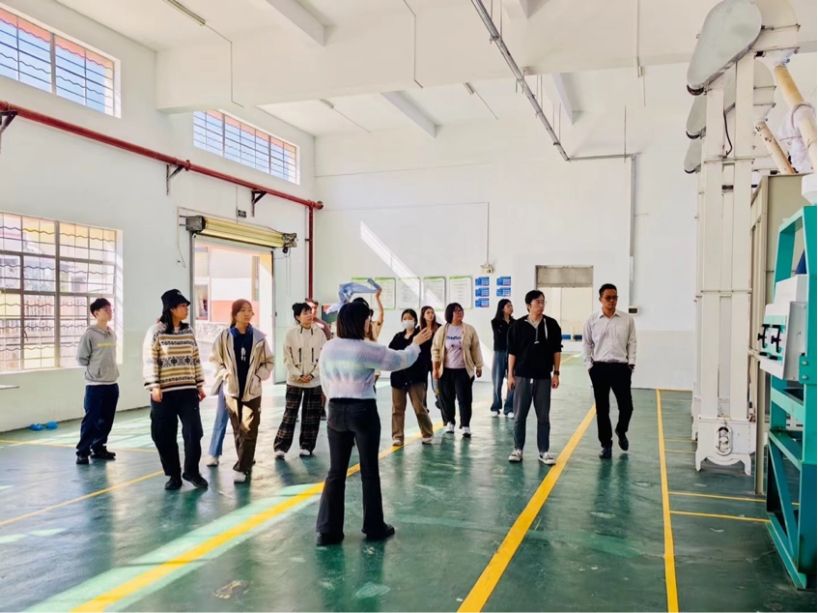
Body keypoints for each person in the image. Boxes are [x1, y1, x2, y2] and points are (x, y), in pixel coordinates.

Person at [315, 302, 432, 546]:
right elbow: (399, 360)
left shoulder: (329, 347)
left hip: (335, 409)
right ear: (359, 322)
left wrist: (335, 399)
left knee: (336, 472)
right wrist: (415, 344)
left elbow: (324, 380)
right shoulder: (365, 348)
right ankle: (374, 526)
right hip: (362, 410)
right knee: (369, 470)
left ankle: (328, 529)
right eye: (367, 319)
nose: (369, 323)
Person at [142, 289, 208, 491]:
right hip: (164, 393)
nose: (186, 309)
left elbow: (195, 358)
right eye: (182, 306)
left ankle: (192, 471)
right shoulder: (156, 331)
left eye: (187, 305)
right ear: (171, 308)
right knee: (163, 434)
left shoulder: (189, 331)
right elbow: (150, 359)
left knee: (194, 432)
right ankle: (174, 475)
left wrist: (199, 384)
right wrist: (154, 385)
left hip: (188, 391)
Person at [209, 299, 274, 482]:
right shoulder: (224, 337)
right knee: (239, 429)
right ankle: (246, 460)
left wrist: (259, 376)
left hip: (252, 390)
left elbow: (269, 361)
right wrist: (224, 374)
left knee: (250, 428)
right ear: (234, 314)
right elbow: (214, 360)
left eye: (250, 310)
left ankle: (242, 467)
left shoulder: (259, 338)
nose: (247, 314)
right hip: (232, 390)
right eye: (243, 310)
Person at [507, 290, 563, 465]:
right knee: (519, 416)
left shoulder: (551, 324)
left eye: (543, 301)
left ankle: (544, 451)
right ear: (528, 305)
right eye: (538, 302)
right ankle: (518, 449)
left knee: (543, 417)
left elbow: (556, 351)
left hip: (543, 377)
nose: (541, 304)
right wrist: (510, 375)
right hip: (522, 376)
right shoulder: (517, 326)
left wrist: (556, 373)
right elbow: (512, 352)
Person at [582, 283, 637, 459]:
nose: (612, 301)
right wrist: (589, 366)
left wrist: (631, 363)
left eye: (615, 298)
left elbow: (632, 342)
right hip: (599, 368)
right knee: (602, 409)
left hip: (621, 368)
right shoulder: (592, 320)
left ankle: (621, 430)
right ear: (600, 299)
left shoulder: (627, 320)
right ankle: (606, 444)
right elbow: (586, 343)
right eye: (608, 298)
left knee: (627, 407)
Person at [275, 302, 327, 459]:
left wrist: (312, 375)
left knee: (312, 415)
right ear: (297, 317)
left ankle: (307, 446)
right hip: (294, 380)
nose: (309, 315)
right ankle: (281, 447)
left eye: (310, 312)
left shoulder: (320, 333)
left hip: (314, 380)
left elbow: (323, 357)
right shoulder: (290, 334)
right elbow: (287, 358)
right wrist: (298, 374)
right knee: (290, 413)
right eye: (305, 313)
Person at [75, 298, 119, 465]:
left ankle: (98, 447)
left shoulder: (111, 333)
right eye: (105, 309)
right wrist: (96, 370)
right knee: (91, 420)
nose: (109, 312)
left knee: (107, 419)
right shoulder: (90, 334)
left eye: (110, 309)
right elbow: (81, 358)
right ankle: (82, 452)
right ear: (96, 313)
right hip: (95, 385)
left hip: (112, 383)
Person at [431, 302, 483, 438]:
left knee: (464, 399)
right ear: (450, 314)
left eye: (461, 310)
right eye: (456, 311)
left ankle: (465, 425)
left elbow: (475, 348)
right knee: (447, 399)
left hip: (463, 371)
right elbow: (435, 350)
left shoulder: (469, 329)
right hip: (446, 371)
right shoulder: (442, 330)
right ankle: (450, 423)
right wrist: (435, 368)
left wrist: (478, 366)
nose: (460, 313)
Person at [388, 309, 435, 447]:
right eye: (405, 318)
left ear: (415, 320)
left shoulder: (420, 336)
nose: (407, 320)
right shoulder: (397, 337)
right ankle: (397, 436)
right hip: (398, 377)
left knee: (419, 407)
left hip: (416, 377)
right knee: (397, 409)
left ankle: (427, 433)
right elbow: (391, 353)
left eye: (410, 318)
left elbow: (426, 355)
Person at [490, 299, 515, 418]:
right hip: (499, 352)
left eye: (511, 305)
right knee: (497, 381)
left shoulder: (515, 322)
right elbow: (500, 337)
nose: (511, 307)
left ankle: (509, 408)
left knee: (512, 380)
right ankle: (495, 406)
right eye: (508, 306)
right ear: (502, 308)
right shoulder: (495, 322)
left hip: (513, 354)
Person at [419, 305, 441, 410]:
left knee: (436, 386)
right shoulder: (419, 329)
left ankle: (441, 403)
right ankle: (424, 409)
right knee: (423, 387)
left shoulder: (440, 328)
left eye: (432, 312)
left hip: (435, 361)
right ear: (423, 315)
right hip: (423, 362)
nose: (431, 315)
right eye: (428, 313)